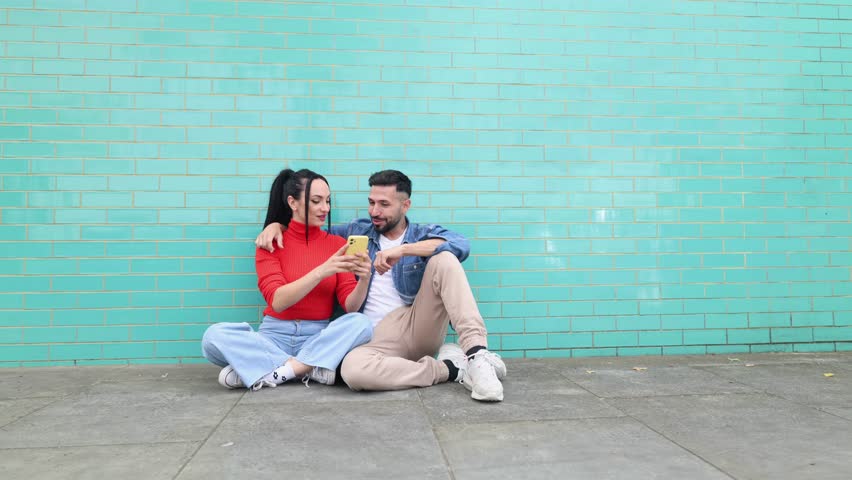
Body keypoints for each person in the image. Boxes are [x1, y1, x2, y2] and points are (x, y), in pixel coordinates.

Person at [256, 170, 507, 401]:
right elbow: (310, 228)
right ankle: (452, 368)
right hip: (371, 336)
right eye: (372, 202)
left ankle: (476, 354)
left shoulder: (420, 234)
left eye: (384, 204)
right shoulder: (356, 231)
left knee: (445, 258)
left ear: (405, 205)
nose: (375, 211)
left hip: (414, 324)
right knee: (352, 372)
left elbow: (460, 244)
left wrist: (404, 250)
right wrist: (276, 224)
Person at [202, 168, 373, 391]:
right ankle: (309, 367)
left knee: (362, 324)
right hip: (273, 337)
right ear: (293, 203)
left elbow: (351, 307)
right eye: (316, 201)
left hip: (316, 337)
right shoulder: (270, 242)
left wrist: (364, 279)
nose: (325, 208)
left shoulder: (335, 245)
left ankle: (274, 372)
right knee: (212, 337)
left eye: (328, 201)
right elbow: (279, 301)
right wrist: (322, 271)